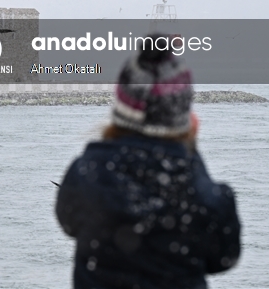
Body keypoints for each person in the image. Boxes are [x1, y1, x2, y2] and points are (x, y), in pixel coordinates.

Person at [55, 34, 241, 289]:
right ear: (183, 117)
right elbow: (224, 258)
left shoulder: (86, 174)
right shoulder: (203, 196)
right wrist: (191, 151)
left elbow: (69, 223)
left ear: (121, 109)